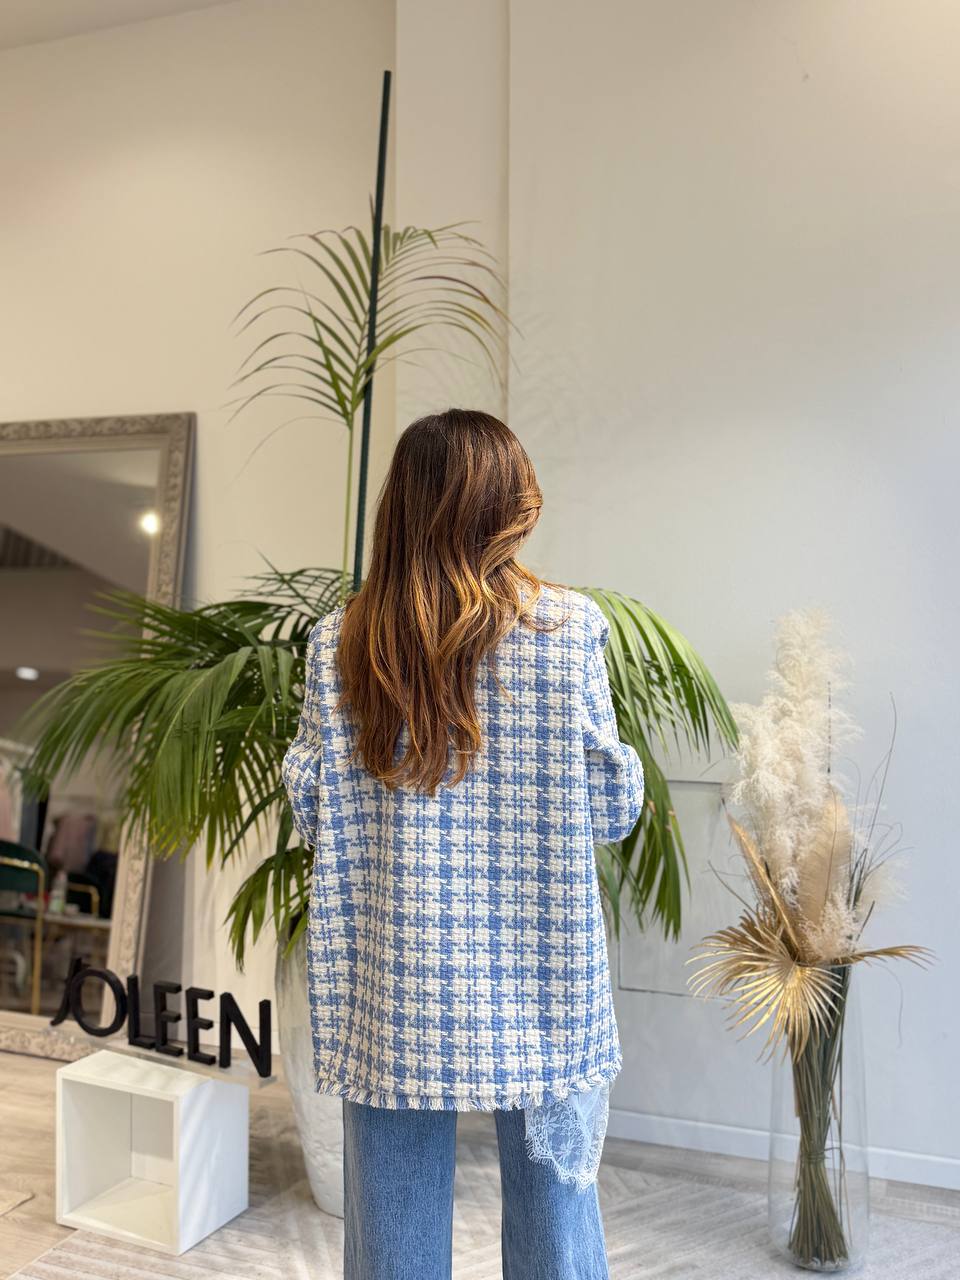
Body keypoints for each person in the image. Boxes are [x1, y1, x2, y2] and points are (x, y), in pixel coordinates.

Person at [281, 409, 644, 1280]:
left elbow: (313, 809)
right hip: (543, 968)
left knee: (391, 1223)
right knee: (556, 1213)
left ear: (400, 507)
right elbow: (611, 807)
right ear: (509, 504)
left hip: (394, 973)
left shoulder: (340, 640)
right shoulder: (569, 630)